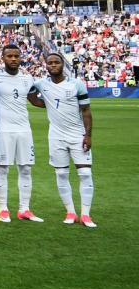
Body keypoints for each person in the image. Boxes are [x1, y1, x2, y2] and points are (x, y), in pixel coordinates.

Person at [28, 53, 96, 228]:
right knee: (61, 174)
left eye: (56, 62)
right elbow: (31, 95)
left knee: (85, 173)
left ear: (62, 64)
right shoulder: (42, 84)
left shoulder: (76, 84)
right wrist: (46, 104)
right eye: (49, 63)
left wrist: (88, 135)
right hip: (56, 136)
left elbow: (86, 110)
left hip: (77, 135)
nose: (53, 65)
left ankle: (86, 215)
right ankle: (71, 212)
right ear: (46, 66)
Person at [0, 44, 41, 223]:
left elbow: (35, 100)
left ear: (21, 58)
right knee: (3, 168)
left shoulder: (28, 79)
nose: (13, 59)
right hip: (3, 129)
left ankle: (24, 209)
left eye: (16, 56)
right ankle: (3, 208)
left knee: (26, 168)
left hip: (25, 130)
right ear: (2, 58)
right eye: (9, 56)